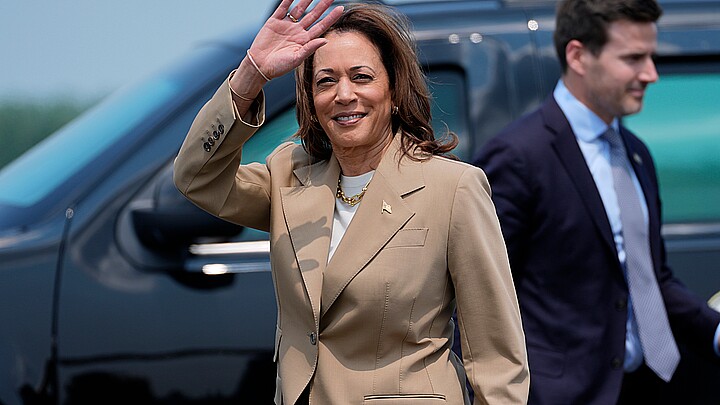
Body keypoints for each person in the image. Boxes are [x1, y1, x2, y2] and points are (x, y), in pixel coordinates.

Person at [173, 0, 529, 404]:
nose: (344, 94)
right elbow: (196, 177)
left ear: (393, 90)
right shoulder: (290, 176)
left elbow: (497, 358)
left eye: (361, 77)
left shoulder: (454, 188)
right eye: (325, 81)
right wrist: (251, 75)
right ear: (310, 98)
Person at [473, 0, 720, 403]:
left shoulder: (635, 152)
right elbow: (482, 297)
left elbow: (650, 279)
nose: (651, 74)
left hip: (648, 386)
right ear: (578, 56)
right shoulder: (519, 156)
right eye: (633, 58)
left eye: (651, 57)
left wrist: (714, 331)